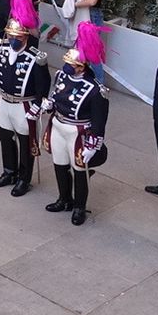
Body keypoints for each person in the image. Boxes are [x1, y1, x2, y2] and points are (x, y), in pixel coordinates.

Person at [43, 22, 110, 227]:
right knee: (60, 166)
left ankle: (79, 206)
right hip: (58, 125)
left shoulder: (96, 90)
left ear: (81, 67)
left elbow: (99, 123)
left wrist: (93, 145)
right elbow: (58, 95)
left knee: (79, 171)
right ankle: (64, 199)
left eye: (71, 64)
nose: (66, 67)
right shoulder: (62, 75)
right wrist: (49, 104)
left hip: (78, 133)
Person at [0, 0, 49, 197]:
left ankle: (24, 178)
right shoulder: (2, 48)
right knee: (6, 138)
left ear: (25, 36)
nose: (13, 39)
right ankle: (9, 171)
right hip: (5, 100)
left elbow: (43, 85)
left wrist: (37, 105)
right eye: (11, 36)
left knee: (25, 143)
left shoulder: (36, 58)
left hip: (24, 104)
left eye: (17, 36)